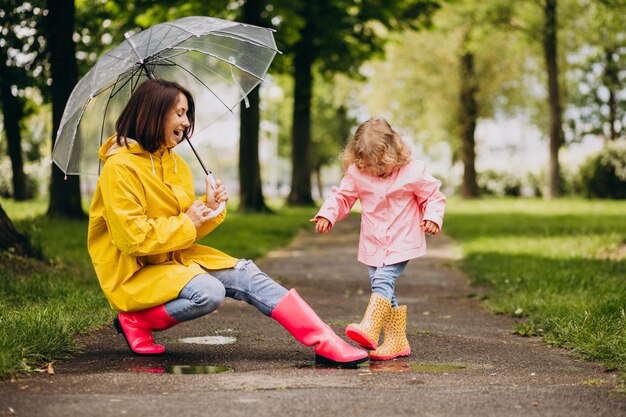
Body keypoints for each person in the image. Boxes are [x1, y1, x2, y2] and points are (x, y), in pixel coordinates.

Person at [87, 79, 368, 367]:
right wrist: (187, 221)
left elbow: (187, 231)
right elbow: (132, 240)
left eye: (187, 114)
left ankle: (326, 342)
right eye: (180, 113)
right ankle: (135, 320)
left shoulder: (173, 163)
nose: (186, 122)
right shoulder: (119, 168)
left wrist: (209, 207)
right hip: (136, 271)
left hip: (173, 260)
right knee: (208, 292)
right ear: (155, 112)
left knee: (246, 273)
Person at [310, 118, 446, 361]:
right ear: (360, 158)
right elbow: (342, 197)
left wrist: (433, 217)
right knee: (383, 287)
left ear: (394, 151)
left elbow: (433, 196)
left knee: (383, 280)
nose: (377, 169)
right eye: (370, 164)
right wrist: (327, 214)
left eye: (382, 163)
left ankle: (370, 326)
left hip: (402, 240)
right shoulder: (357, 173)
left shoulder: (413, 170)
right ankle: (396, 341)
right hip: (374, 242)